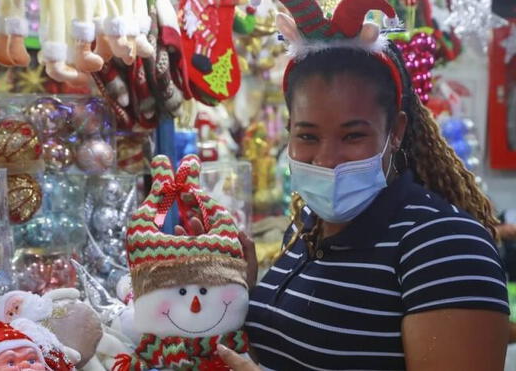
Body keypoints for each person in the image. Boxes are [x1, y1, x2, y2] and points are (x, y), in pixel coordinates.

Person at [178, 0, 510, 369]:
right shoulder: (308, 228)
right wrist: (239, 293)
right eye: (307, 136)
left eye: (353, 136)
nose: (326, 159)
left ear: (395, 132)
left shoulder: (447, 248)